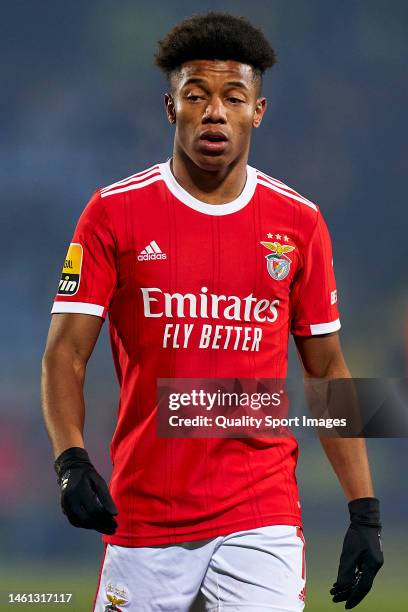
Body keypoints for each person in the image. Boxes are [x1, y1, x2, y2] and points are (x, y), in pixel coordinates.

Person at [41, 12, 383, 612]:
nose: (215, 112)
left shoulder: (300, 223)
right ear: (171, 107)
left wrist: (365, 510)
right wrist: (70, 459)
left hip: (262, 516)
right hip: (145, 512)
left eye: (233, 96)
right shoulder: (112, 214)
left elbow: (327, 370)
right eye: (196, 95)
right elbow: (65, 353)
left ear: (258, 110)